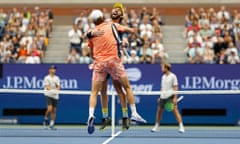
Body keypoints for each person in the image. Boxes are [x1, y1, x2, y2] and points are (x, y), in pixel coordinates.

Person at [87, 4, 146, 131]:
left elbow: (123, 38)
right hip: (113, 62)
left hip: (103, 62)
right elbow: (129, 30)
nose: (115, 11)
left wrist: (123, 43)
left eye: (118, 11)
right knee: (105, 90)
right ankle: (108, 117)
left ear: (121, 15)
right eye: (114, 9)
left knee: (118, 90)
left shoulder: (113, 28)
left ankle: (124, 117)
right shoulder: (110, 25)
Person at [151, 63, 185, 133]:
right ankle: (156, 126)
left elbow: (175, 87)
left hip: (170, 96)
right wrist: (160, 96)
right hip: (163, 97)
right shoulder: (163, 77)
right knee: (159, 112)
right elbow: (162, 88)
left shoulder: (173, 76)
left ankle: (181, 126)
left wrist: (175, 98)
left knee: (175, 111)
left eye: (162, 68)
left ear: (166, 68)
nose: (161, 69)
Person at [43, 65, 60, 130]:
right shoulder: (46, 78)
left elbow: (58, 86)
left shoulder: (57, 78)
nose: (53, 70)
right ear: (49, 70)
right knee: (49, 108)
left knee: (54, 110)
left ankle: (51, 124)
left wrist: (56, 90)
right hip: (48, 94)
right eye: (52, 69)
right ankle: (46, 119)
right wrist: (53, 90)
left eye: (54, 69)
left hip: (55, 95)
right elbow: (47, 87)